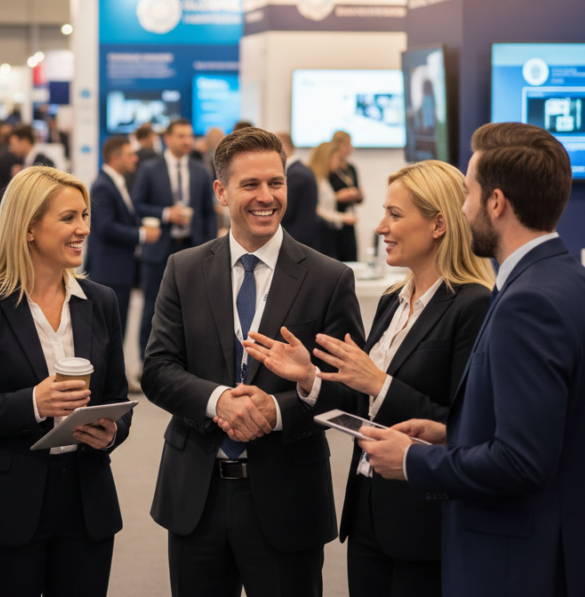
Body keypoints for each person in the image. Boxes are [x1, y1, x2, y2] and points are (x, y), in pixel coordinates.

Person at [359, 123, 585, 597]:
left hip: (517, 564)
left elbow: (522, 461)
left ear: (496, 203)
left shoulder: (529, 302)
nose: (463, 209)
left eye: (468, 194)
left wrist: (415, 460)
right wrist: (453, 434)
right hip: (558, 550)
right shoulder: (574, 281)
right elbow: (544, 431)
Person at [244, 159, 494, 597]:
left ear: (438, 224)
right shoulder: (392, 300)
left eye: (395, 215)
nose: (381, 228)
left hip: (425, 522)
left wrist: (380, 383)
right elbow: (362, 406)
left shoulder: (473, 305)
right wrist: (310, 378)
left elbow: (466, 427)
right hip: (367, 513)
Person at [141, 127, 365, 597]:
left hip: (288, 499)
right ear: (221, 191)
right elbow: (158, 371)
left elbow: (351, 392)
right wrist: (220, 401)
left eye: (275, 183)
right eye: (251, 185)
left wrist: (282, 407)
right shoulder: (184, 269)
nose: (267, 197)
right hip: (197, 497)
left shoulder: (328, 278)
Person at [0, 166, 133, 597]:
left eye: (84, 216)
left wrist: (111, 432)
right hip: (4, 503)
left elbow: (117, 398)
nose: (84, 229)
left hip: (86, 500)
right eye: (68, 218)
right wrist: (33, 403)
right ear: (28, 228)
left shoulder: (101, 301)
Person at [132, 117, 218, 370]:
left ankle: (185, 365)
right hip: (160, 249)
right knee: (152, 309)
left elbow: (208, 212)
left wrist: (212, 246)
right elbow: (136, 206)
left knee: (194, 309)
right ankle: (147, 365)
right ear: (168, 139)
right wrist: (166, 214)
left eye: (190, 136)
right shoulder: (150, 168)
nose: (187, 141)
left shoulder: (200, 169)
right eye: (181, 136)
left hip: (192, 248)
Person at [84, 135, 161, 339]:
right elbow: (105, 227)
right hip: (109, 273)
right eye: (130, 155)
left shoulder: (116, 182)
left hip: (118, 271)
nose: (135, 159)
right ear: (115, 157)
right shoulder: (103, 185)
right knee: (107, 335)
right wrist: (141, 234)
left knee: (116, 332)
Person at [309, 141, 357, 259]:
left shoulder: (324, 179)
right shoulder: (315, 180)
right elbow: (318, 210)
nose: (338, 163)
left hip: (328, 233)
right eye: (336, 158)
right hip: (320, 234)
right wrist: (343, 217)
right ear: (327, 158)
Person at [277, 132, 321, 251]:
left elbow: (286, 210)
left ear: (284, 147)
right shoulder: (301, 170)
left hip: (295, 239)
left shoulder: (295, 174)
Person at [329, 130, 363, 262]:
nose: (351, 148)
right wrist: (337, 197)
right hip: (333, 222)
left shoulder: (350, 169)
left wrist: (356, 195)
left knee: (351, 256)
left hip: (349, 219)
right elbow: (322, 198)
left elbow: (359, 194)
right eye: (347, 144)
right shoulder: (330, 170)